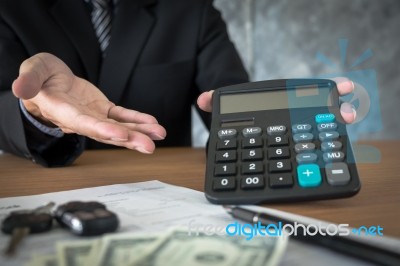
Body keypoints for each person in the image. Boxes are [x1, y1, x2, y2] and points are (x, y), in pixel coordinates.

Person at [0, 0, 356, 167]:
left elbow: (227, 98)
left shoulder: (191, 11)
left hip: (167, 188)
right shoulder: (12, 9)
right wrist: (35, 110)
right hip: (47, 184)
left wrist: (278, 118)